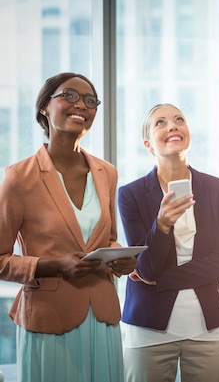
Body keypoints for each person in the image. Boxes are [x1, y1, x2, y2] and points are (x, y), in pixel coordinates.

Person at [0, 72, 136, 381]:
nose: (81, 105)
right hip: (50, 318)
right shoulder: (19, 176)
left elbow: (108, 239)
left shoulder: (107, 173)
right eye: (70, 96)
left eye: (90, 101)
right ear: (45, 107)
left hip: (102, 317)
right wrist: (54, 265)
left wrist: (120, 259)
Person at [118, 103, 219, 382]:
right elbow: (145, 268)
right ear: (148, 143)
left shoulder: (217, 188)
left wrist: (163, 281)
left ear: (188, 133)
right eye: (160, 122)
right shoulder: (130, 194)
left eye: (179, 119)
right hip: (148, 331)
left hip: (207, 328)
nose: (172, 125)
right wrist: (162, 225)